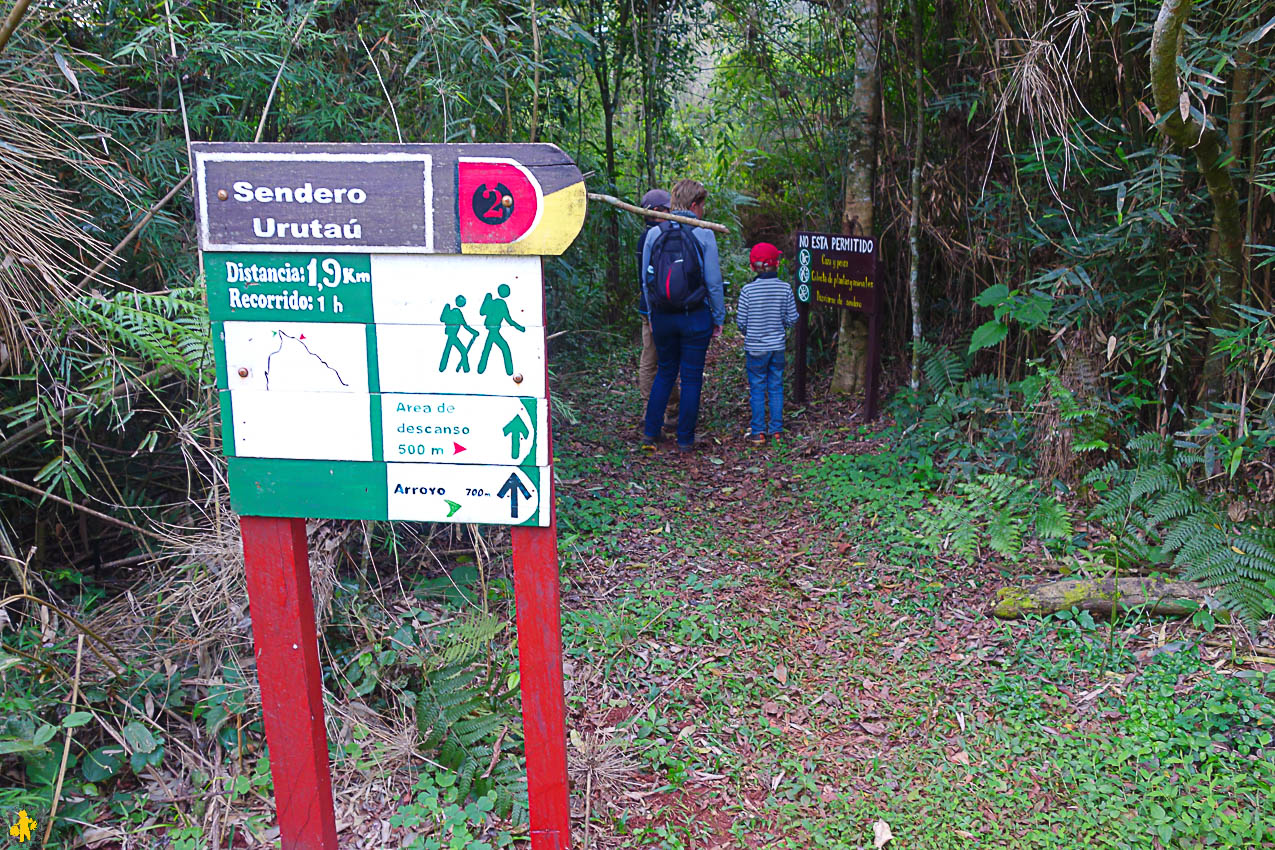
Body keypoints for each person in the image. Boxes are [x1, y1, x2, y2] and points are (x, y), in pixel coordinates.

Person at [640, 179, 724, 452]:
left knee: (665, 372)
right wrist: (719, 317)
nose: (703, 212)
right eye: (702, 206)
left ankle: (651, 432)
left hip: (663, 316)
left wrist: (652, 315)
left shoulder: (655, 232)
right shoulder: (704, 233)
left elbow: (646, 281)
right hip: (694, 316)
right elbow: (713, 282)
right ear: (694, 204)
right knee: (690, 377)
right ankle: (685, 439)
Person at [736, 242, 798, 444]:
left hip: (755, 348)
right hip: (777, 347)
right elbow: (792, 318)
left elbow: (741, 322)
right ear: (777, 264)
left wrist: (751, 333)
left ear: (752, 267)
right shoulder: (785, 288)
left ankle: (758, 432)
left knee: (756, 388)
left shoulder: (747, 291)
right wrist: (781, 328)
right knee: (776, 386)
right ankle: (777, 431)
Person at [636, 188, 678, 430]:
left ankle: (671, 407)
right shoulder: (651, 238)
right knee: (651, 359)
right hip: (652, 308)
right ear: (655, 212)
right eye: (666, 210)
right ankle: (652, 410)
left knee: (665, 359)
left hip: (659, 306)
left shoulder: (658, 235)